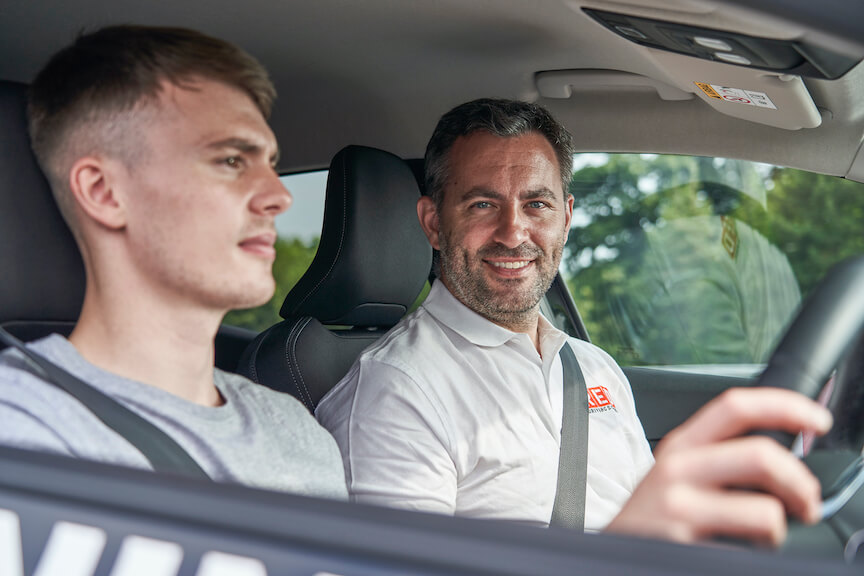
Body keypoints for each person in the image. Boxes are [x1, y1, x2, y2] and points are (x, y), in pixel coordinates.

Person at [315, 98, 832, 545]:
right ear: (433, 222)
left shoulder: (592, 367)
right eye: (481, 204)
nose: (513, 232)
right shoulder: (396, 391)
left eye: (535, 204)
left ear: (565, 217)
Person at [0, 25, 347, 499]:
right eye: (230, 160)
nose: (279, 195)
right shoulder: (25, 433)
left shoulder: (299, 435)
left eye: (270, 163)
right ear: (104, 193)